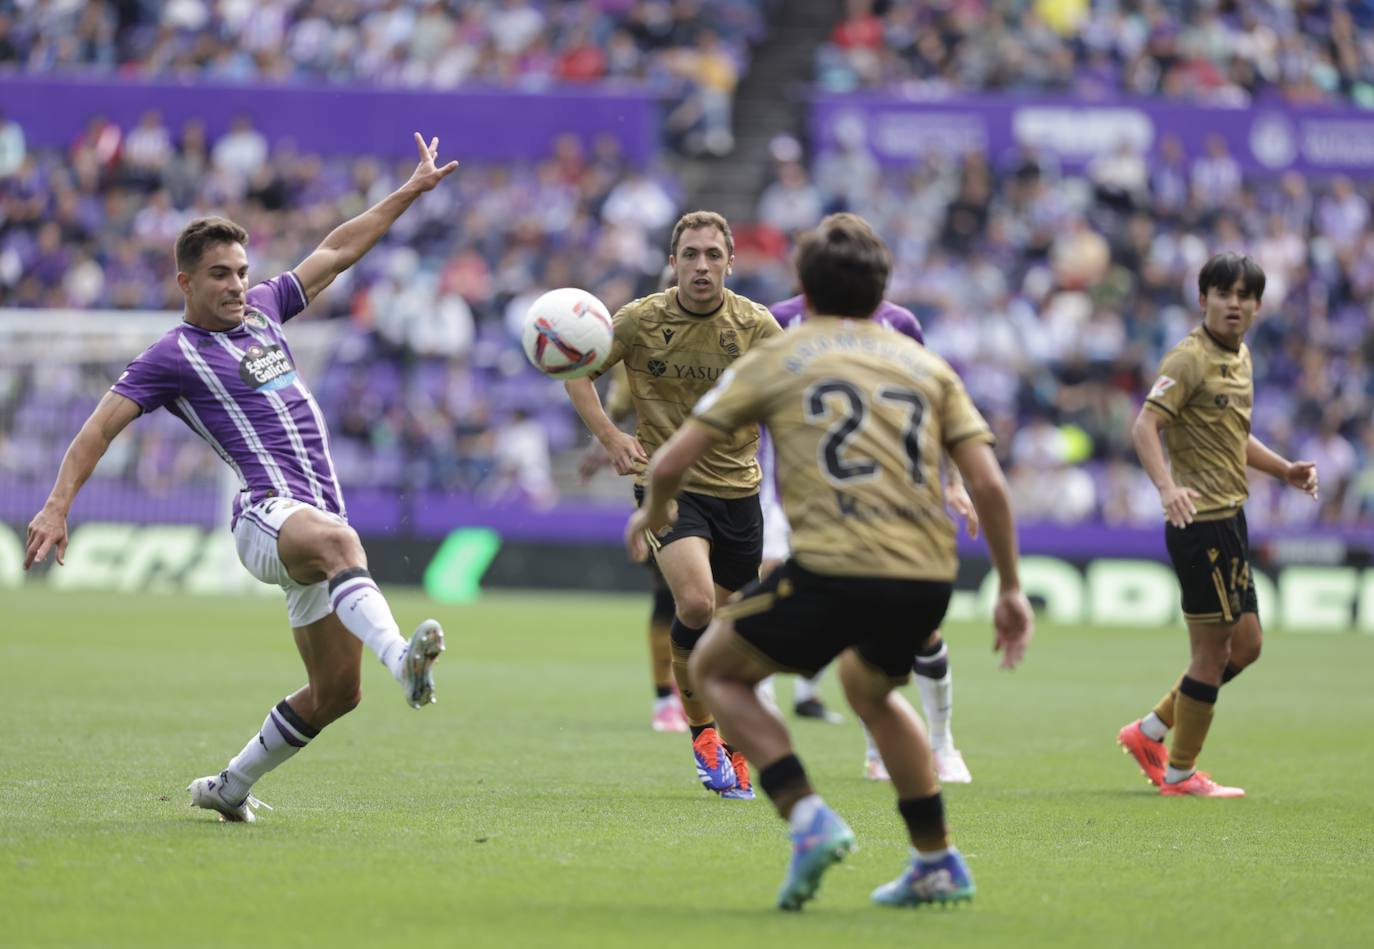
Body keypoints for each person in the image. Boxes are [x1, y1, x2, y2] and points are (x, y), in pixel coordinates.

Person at [23, 132, 460, 822]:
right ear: (186, 282)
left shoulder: (265, 312)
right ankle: (403, 658)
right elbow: (99, 427)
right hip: (265, 516)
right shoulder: (171, 356)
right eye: (221, 273)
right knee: (345, 545)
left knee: (336, 693)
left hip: (311, 524)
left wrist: (410, 190)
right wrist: (56, 505)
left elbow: (338, 250)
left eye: (241, 270)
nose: (236, 284)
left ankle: (230, 784)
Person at [628, 213, 1033, 909]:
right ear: (883, 290)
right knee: (872, 689)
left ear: (802, 291)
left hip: (839, 560)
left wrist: (653, 509)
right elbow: (989, 485)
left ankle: (808, 816)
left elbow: (672, 458)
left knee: (717, 665)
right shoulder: (927, 365)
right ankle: (936, 858)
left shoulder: (781, 355)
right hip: (928, 570)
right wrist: (1011, 588)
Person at [565, 210, 783, 800]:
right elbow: (577, 371)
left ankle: (732, 742)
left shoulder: (757, 326)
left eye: (714, 254)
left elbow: (793, 396)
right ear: (673, 261)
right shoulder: (639, 321)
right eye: (691, 254)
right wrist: (610, 438)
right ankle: (703, 736)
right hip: (668, 487)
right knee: (694, 602)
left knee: (729, 631)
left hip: (740, 493)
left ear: (730, 263)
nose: (702, 265)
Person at [1118, 253, 1319, 798]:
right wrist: (1166, 488)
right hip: (1198, 523)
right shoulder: (1188, 360)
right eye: (1223, 293)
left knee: (1246, 646)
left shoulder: (1242, 356)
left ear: (1256, 305)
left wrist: (1285, 470)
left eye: (1244, 295)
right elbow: (1145, 426)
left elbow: (1234, 436)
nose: (1234, 303)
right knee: (1210, 654)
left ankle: (1151, 730)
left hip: (1232, 517)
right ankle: (1180, 773)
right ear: (1202, 297)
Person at [766, 292, 978, 783]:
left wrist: (951, 480)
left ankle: (943, 744)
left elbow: (932, 405)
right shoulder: (780, 320)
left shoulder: (898, 322)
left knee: (920, 628)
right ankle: (875, 748)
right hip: (808, 500)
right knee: (848, 620)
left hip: (892, 497)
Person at [578, 361, 687, 733]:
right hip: (662, 487)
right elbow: (618, 409)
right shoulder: (641, 342)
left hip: (723, 482)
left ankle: (686, 694)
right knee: (668, 596)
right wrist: (599, 453)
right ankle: (666, 699)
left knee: (706, 600)